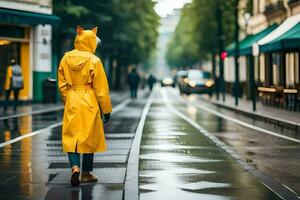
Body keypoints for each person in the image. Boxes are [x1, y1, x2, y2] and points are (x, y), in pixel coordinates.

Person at [58, 26, 112, 187]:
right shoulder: (94, 61)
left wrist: (68, 99)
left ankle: (75, 167)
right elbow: (101, 89)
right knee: (89, 136)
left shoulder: (65, 58)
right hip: (89, 98)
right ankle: (87, 173)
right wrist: (106, 109)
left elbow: (62, 85)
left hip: (73, 97)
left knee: (71, 135)